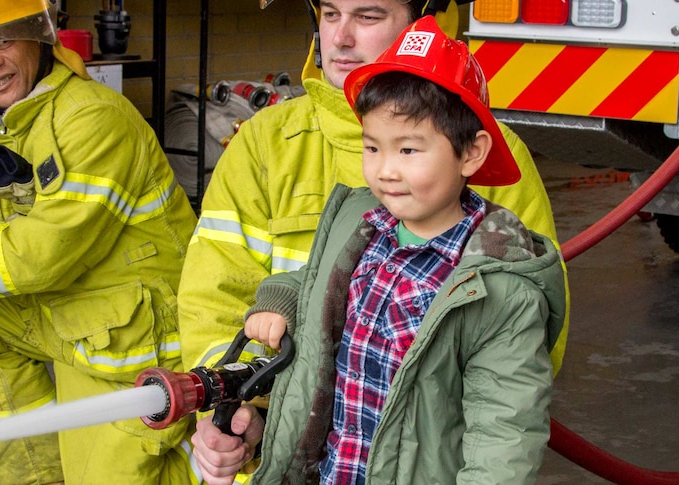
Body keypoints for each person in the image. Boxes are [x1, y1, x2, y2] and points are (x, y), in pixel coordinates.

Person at [193, 16, 566, 484]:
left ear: (471, 153)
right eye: (372, 148)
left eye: (408, 151)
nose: (385, 171)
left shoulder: (498, 288)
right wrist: (279, 301)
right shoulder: (359, 222)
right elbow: (315, 282)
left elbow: (505, 431)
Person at [0, 1, 200, 483]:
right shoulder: (11, 130)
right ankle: (32, 473)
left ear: (38, 38)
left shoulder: (92, 118)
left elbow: (44, 253)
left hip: (135, 346)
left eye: (2, 41)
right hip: (74, 321)